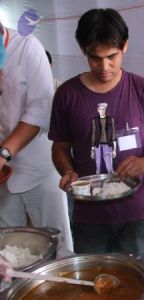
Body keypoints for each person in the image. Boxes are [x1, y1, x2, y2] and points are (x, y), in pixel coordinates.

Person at [48, 8, 144, 267]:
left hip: (137, 211)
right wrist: (68, 171)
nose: (104, 67)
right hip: (88, 213)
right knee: (94, 281)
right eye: (95, 58)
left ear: (125, 47)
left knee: (136, 280)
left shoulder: (142, 89)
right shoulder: (67, 94)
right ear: (83, 50)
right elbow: (60, 147)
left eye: (112, 56)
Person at [0, 22, 73, 257]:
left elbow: (40, 112)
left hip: (39, 167)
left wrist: (3, 154)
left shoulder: (27, 47)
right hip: (3, 177)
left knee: (57, 244)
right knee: (8, 250)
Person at [91, 102, 116, 174]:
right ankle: (98, 177)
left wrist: (114, 149)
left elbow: (113, 134)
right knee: (98, 163)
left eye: (103, 109)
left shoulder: (110, 119)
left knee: (108, 163)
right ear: (98, 110)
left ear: (105, 110)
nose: (102, 111)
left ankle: (110, 176)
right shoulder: (94, 120)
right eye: (100, 109)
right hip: (97, 144)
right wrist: (92, 149)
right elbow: (93, 133)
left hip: (107, 144)